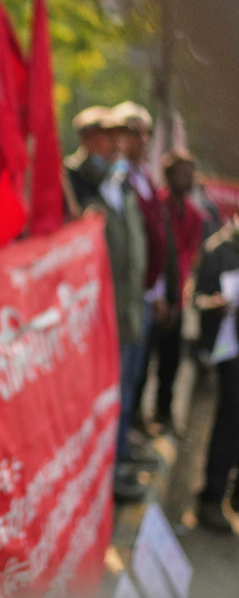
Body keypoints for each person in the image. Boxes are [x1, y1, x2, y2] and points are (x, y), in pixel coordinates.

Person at [64, 105, 148, 500]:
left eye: (120, 136)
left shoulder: (121, 181)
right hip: (96, 318)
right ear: (86, 139)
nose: (116, 143)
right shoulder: (72, 182)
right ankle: (100, 481)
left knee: (124, 395)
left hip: (128, 309)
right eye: (106, 135)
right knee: (96, 403)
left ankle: (115, 467)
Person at [108, 101, 165, 446]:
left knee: (132, 378)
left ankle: (124, 451)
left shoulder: (144, 176)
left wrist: (158, 291)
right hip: (121, 300)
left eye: (144, 132)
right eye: (131, 131)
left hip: (143, 296)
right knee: (117, 381)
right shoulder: (118, 179)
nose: (139, 139)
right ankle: (113, 462)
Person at [149, 149, 204, 436]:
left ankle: (164, 412)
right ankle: (139, 416)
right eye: (183, 173)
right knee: (146, 360)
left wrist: (181, 293)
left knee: (171, 360)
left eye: (191, 173)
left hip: (178, 295)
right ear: (169, 175)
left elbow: (190, 255)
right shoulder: (155, 205)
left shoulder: (194, 214)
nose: (188, 179)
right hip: (154, 293)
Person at [193, 207, 239, 532]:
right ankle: (211, 498)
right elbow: (196, 297)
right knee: (230, 421)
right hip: (230, 350)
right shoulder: (218, 251)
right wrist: (213, 304)